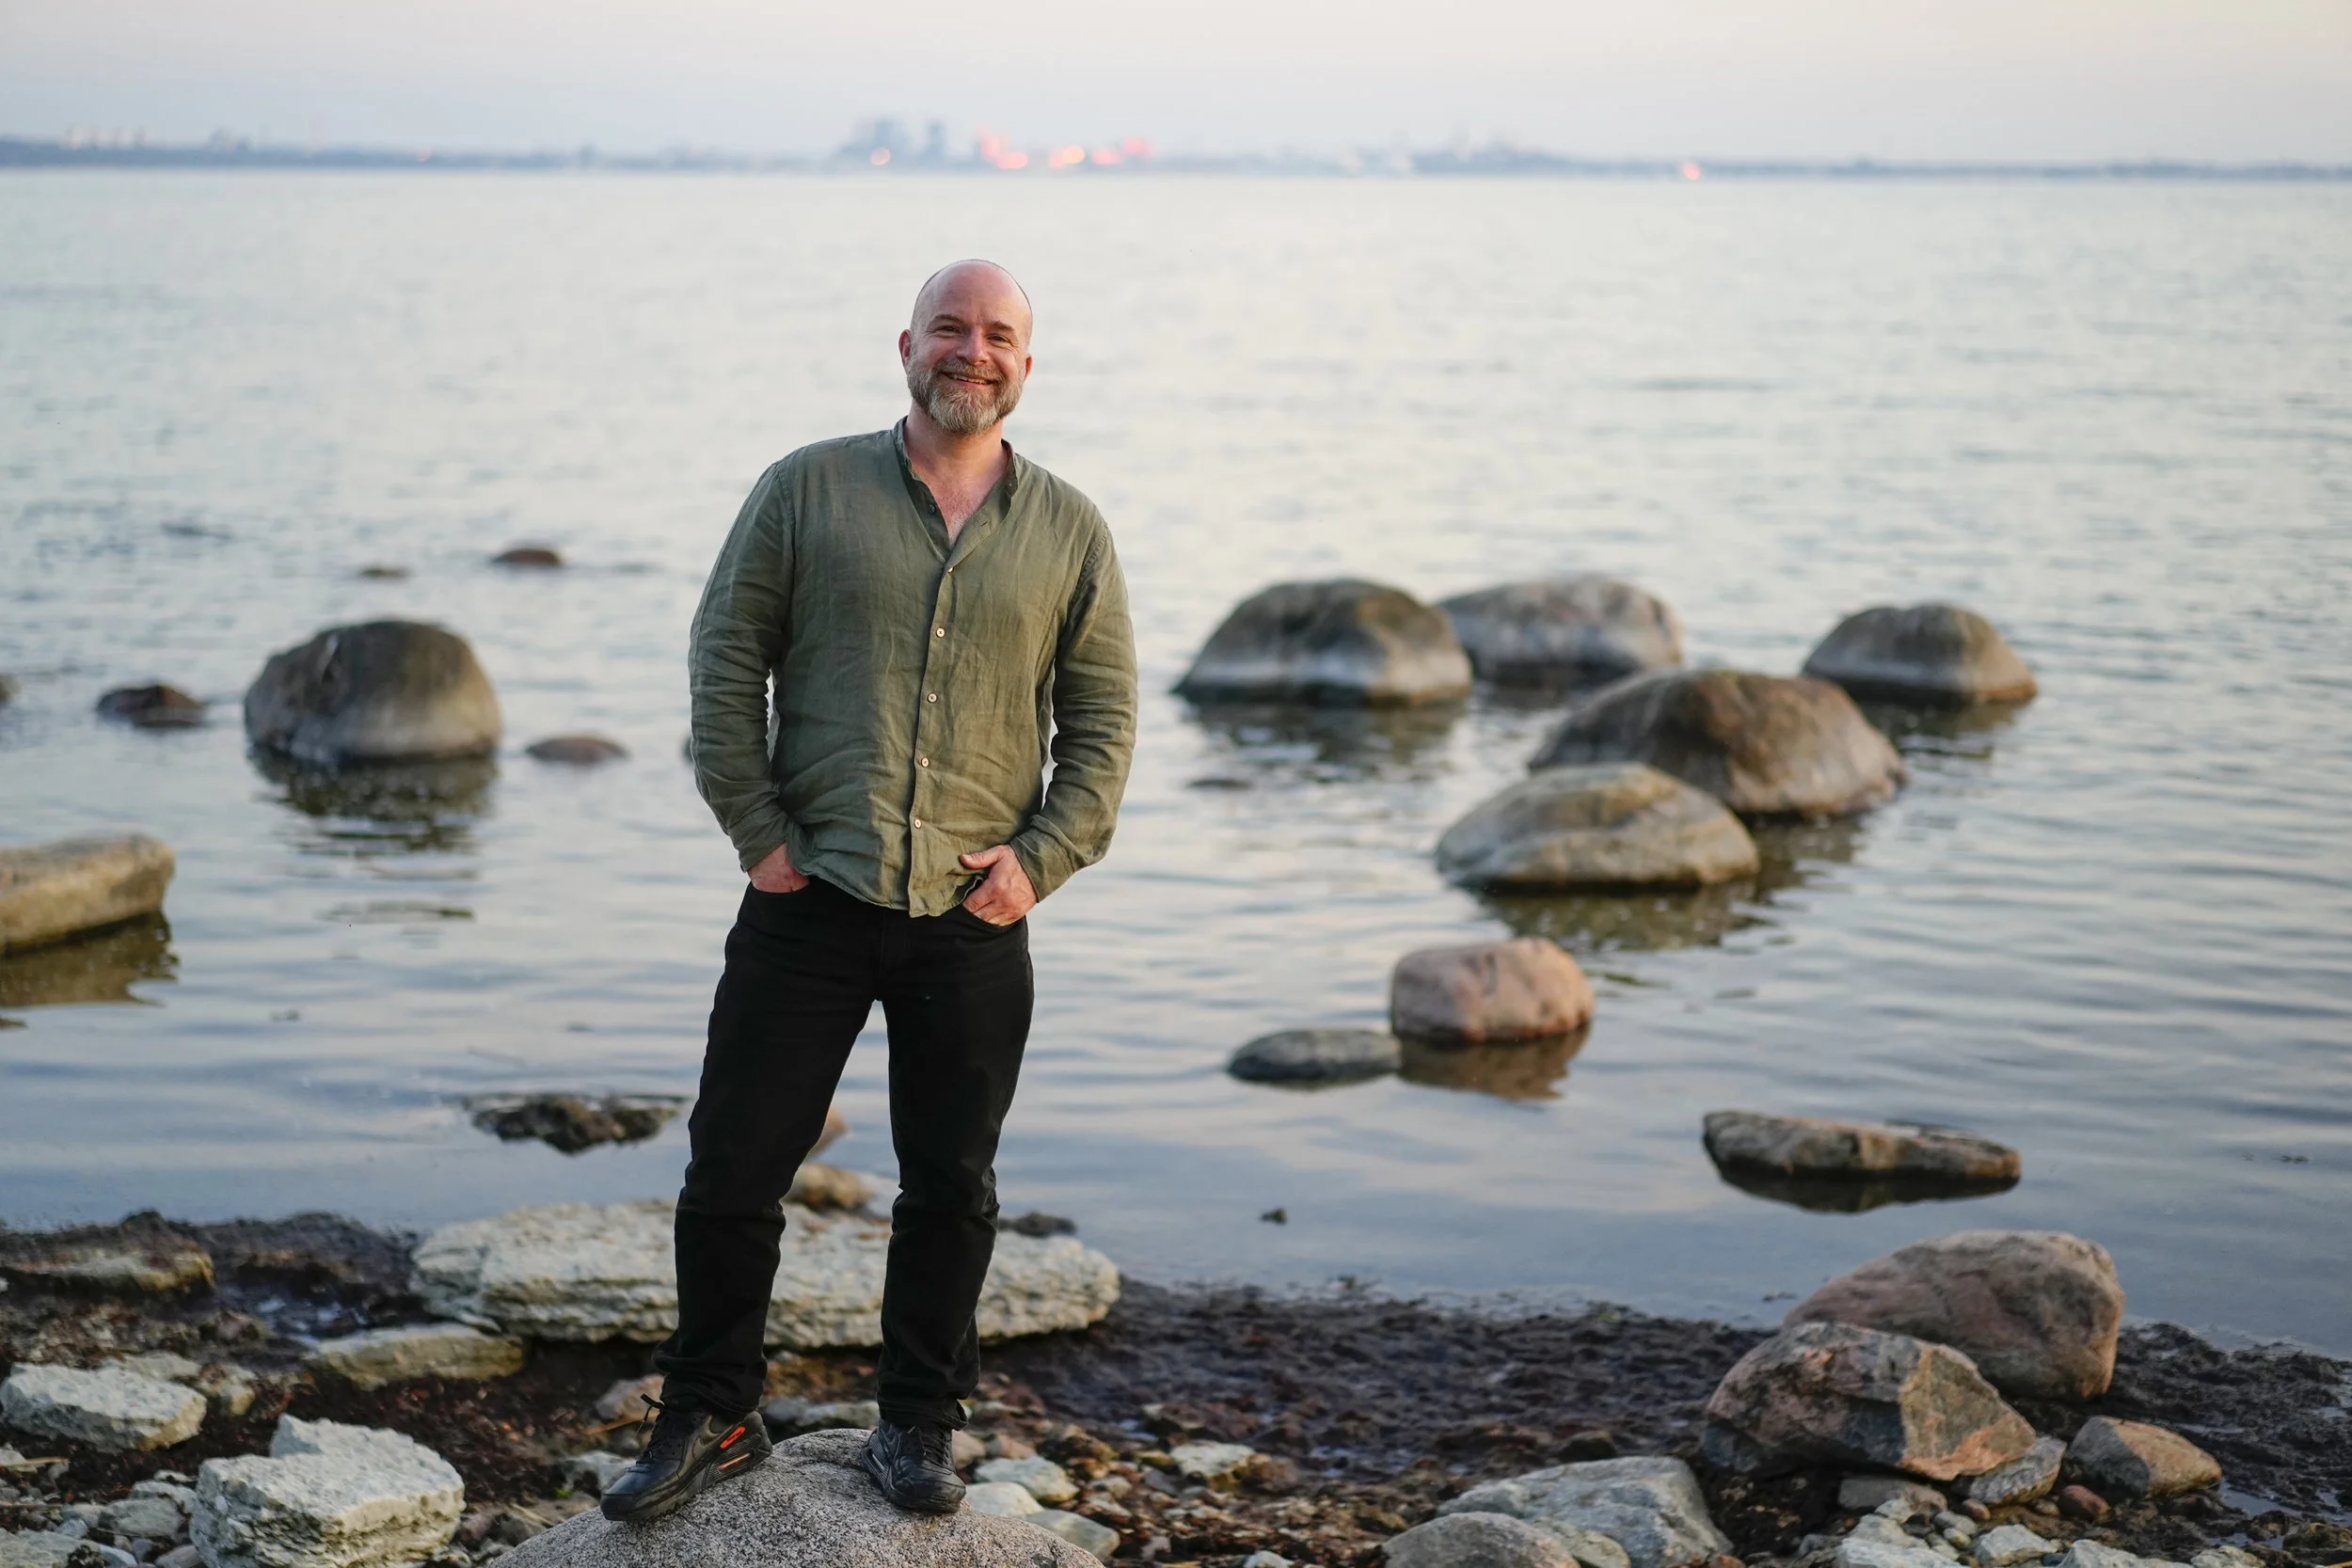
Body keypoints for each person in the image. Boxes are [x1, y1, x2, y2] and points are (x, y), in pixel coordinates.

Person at [599, 260, 1137, 1524]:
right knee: (734, 1165)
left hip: (972, 913)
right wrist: (756, 829)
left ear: (1026, 363)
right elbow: (725, 656)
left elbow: (1104, 719)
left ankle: (915, 1425)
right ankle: (712, 1411)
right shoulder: (804, 489)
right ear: (906, 344)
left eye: (998, 334)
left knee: (952, 1183)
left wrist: (1043, 856)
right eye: (951, 328)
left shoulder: (1069, 529)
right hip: (809, 896)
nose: (973, 350)